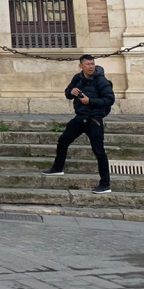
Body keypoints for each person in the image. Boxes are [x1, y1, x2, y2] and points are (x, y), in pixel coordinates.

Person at [43, 54, 115, 193]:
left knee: (99, 151)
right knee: (63, 140)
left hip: (94, 120)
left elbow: (109, 99)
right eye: (87, 64)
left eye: (92, 64)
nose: (90, 67)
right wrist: (72, 91)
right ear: (81, 66)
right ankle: (57, 168)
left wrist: (90, 101)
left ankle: (105, 184)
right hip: (81, 117)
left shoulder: (101, 80)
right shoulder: (78, 78)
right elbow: (67, 94)